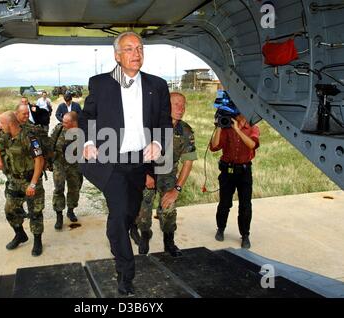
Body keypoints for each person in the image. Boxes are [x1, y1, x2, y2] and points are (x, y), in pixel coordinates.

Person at [79, 31, 172, 296]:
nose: (136, 53)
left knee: (129, 211)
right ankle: (125, 274)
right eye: (129, 49)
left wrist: (159, 142)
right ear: (117, 56)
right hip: (111, 162)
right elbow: (87, 118)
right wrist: (87, 143)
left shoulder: (158, 85)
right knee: (119, 215)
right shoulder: (100, 84)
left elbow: (164, 121)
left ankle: (125, 224)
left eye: (140, 48)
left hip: (139, 162)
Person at [134, 92, 197, 257]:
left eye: (183, 105)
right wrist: (144, 175)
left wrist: (176, 189)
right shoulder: (149, 126)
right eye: (176, 104)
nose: (180, 108)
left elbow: (188, 161)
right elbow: (135, 153)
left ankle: (169, 241)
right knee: (143, 210)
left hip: (168, 175)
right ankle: (145, 234)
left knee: (169, 209)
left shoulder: (185, 131)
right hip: (146, 172)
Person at [0, 111, 45, 256]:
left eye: (2, 123)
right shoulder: (5, 135)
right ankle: (20, 234)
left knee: (35, 213)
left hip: (30, 180)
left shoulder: (30, 138)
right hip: (14, 180)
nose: (0, 126)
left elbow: (39, 160)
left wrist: (33, 184)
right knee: (10, 210)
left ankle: (37, 241)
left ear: (10, 124)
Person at [209, 94, 260, 249]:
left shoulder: (252, 128)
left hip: (244, 171)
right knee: (225, 203)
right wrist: (219, 126)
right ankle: (221, 229)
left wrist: (238, 130)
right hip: (227, 170)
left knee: (245, 205)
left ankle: (245, 235)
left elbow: (252, 145)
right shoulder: (226, 127)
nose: (239, 116)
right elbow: (214, 147)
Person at [50, 111, 83, 230]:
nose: (63, 123)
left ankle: (71, 210)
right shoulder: (59, 129)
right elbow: (51, 144)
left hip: (74, 166)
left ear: (74, 123)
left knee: (75, 188)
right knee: (59, 189)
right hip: (59, 164)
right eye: (63, 121)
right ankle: (59, 216)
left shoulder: (82, 132)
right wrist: (49, 161)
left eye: (66, 122)